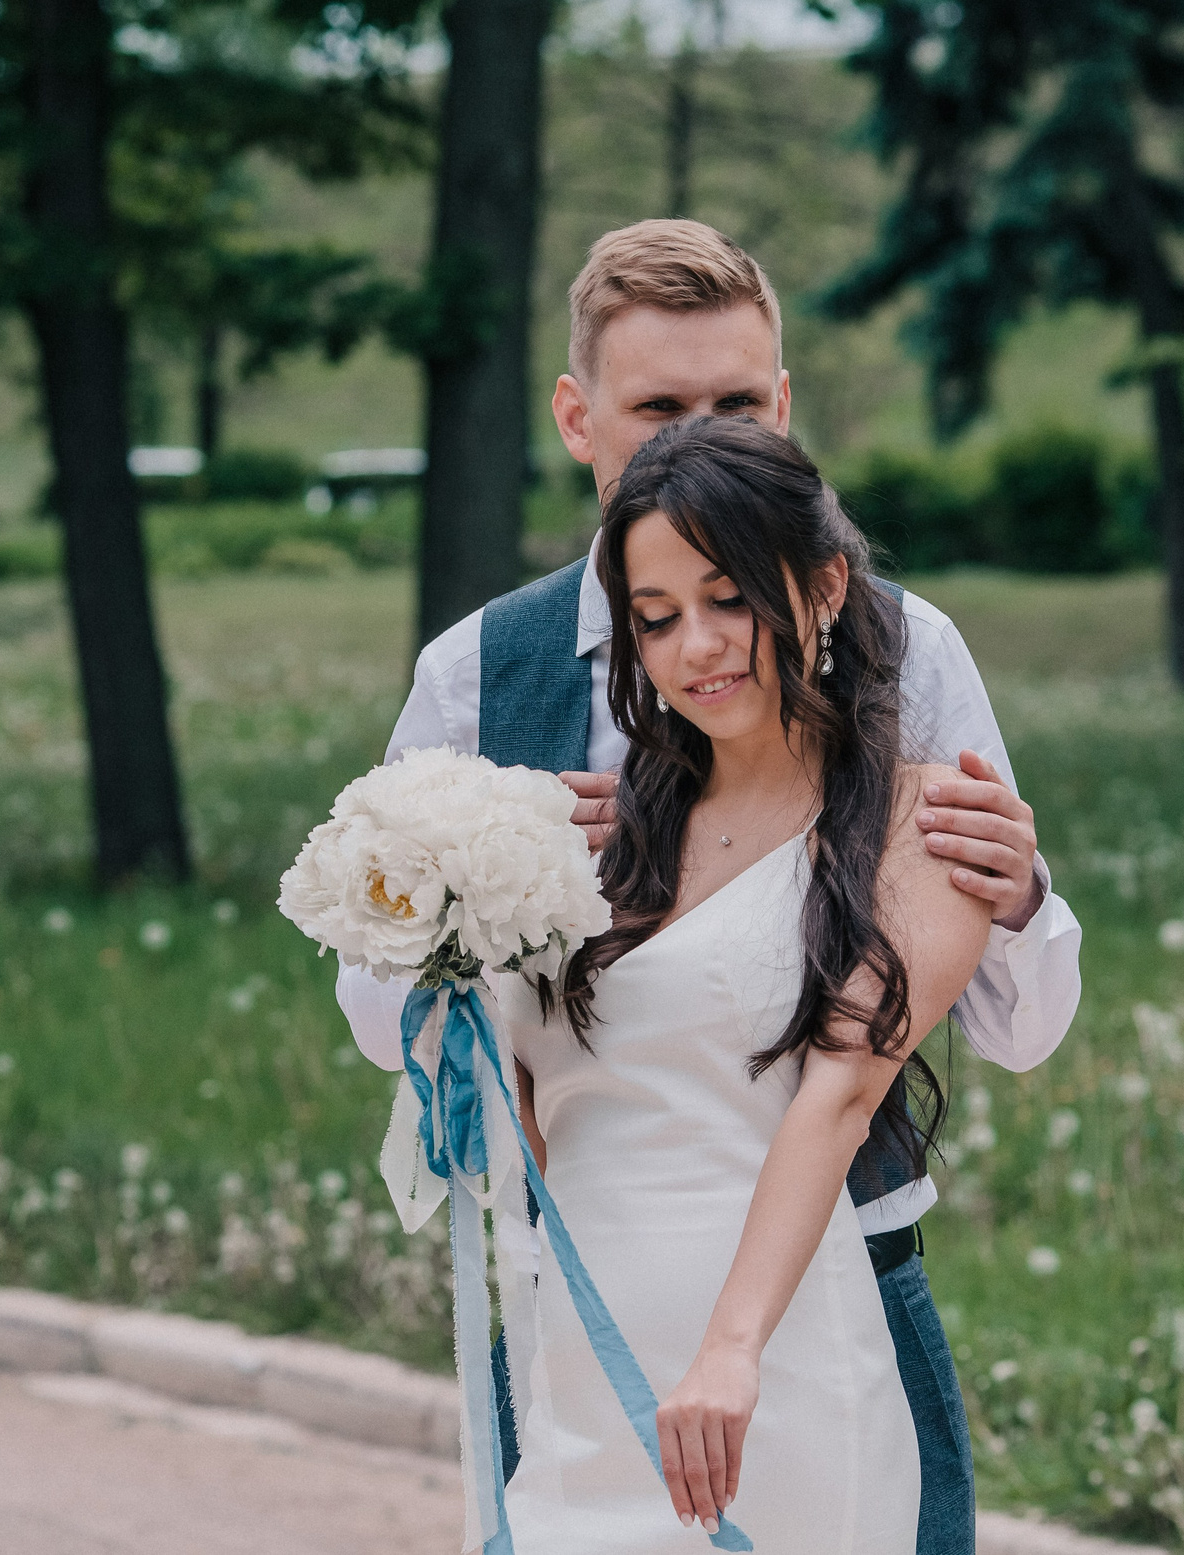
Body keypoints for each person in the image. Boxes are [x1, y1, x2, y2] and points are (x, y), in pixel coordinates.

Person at [335, 219, 1084, 1554]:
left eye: (737, 403)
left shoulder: (912, 656)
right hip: (575, 1300)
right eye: (659, 406)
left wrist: (1021, 897)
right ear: (577, 417)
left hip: (840, 1283)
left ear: (784, 408)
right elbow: (391, 1029)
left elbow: (1008, 1032)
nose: (700, 435)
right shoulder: (480, 674)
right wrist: (467, 899)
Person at [499, 413, 984, 1549]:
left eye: (727, 601)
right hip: (580, 1347)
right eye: (656, 620)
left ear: (819, 588)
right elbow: (532, 1109)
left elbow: (842, 1096)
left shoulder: (920, 824)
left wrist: (728, 1347)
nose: (695, 648)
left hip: (769, 1364)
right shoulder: (606, 847)